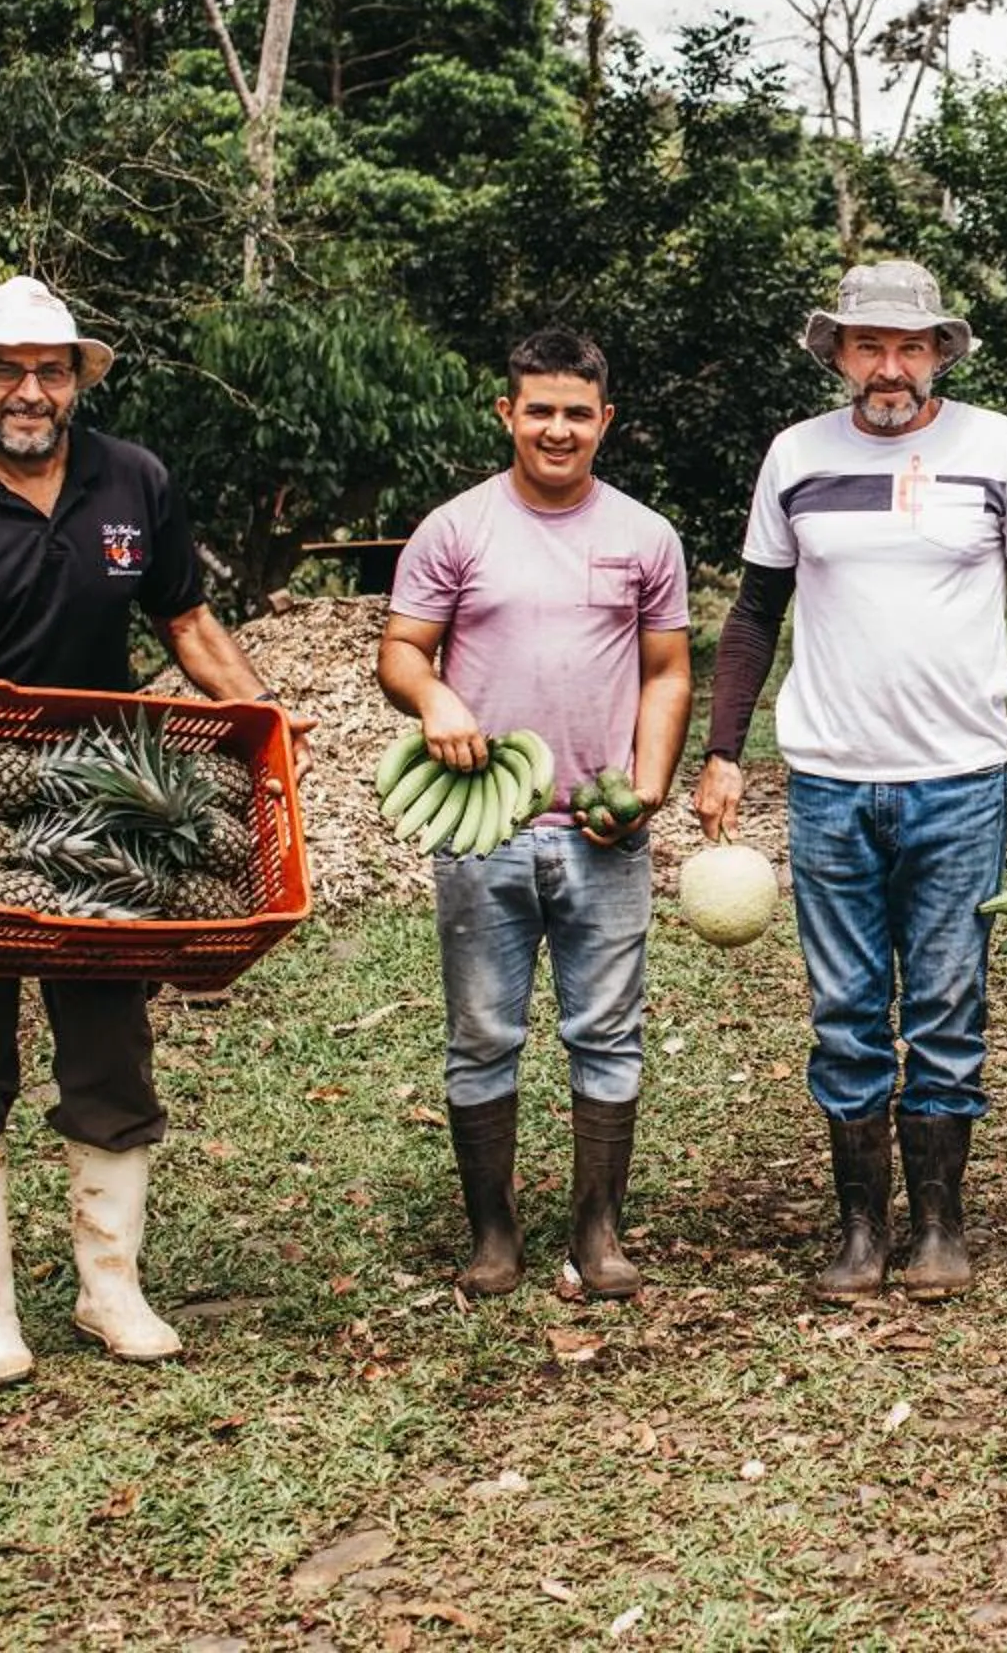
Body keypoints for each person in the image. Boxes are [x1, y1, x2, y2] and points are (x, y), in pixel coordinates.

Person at [0, 275, 308, 1389]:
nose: (28, 388)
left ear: (76, 380)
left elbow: (186, 619)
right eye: (5, 367)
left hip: (101, 797)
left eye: (49, 368)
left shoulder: (132, 479)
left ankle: (111, 1289)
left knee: (110, 1049)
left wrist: (264, 739)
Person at [693, 258, 1007, 1305]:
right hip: (829, 780)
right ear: (839, 353)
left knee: (945, 1001)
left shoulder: (996, 447)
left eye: (910, 345)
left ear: (941, 349)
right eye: (869, 344)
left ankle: (940, 1224)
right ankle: (861, 1227)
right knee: (847, 1007)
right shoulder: (795, 456)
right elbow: (756, 611)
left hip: (958, 777)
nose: (889, 365)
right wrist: (724, 747)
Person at [377, 330, 692, 1302]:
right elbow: (402, 650)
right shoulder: (456, 529)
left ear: (607, 421)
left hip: (603, 830)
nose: (558, 428)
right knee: (482, 1032)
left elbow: (669, 668)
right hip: (483, 828)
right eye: (539, 408)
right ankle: (493, 1232)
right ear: (506, 413)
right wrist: (434, 700)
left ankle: (598, 1232)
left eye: (577, 411)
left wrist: (648, 781)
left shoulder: (646, 536)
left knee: (607, 1030)